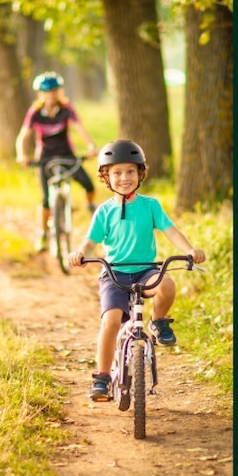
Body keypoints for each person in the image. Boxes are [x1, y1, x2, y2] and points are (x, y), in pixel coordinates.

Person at [67, 140, 206, 402]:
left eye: (130, 171)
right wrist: (80, 254)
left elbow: (171, 231)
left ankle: (158, 322)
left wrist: (190, 249)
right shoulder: (104, 212)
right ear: (106, 177)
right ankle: (102, 377)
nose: (124, 178)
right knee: (110, 321)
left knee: (167, 284)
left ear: (140, 173)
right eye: (117, 173)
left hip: (145, 271)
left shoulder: (151, 206)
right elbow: (89, 242)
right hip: (114, 274)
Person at [14, 71, 99, 252]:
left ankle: (89, 204)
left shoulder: (67, 109)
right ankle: (43, 233)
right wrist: (21, 154)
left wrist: (91, 146)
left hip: (67, 155)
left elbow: (80, 129)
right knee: (46, 200)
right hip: (45, 158)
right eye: (47, 92)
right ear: (40, 94)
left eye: (54, 91)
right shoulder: (35, 112)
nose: (51, 95)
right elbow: (23, 136)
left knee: (89, 185)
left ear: (60, 91)